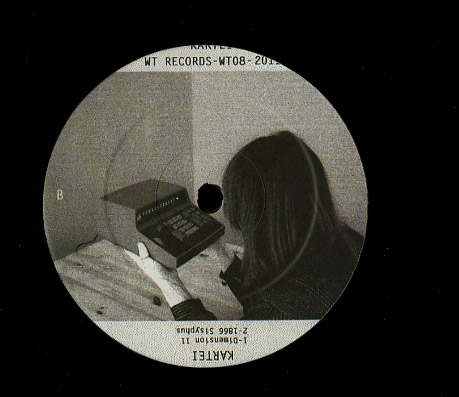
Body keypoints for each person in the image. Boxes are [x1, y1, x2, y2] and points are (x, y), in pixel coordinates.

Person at [124, 131, 364, 320]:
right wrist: (222, 253)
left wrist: (169, 283)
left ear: (254, 214)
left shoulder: (282, 311)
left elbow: (221, 352)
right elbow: (277, 292)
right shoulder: (348, 241)